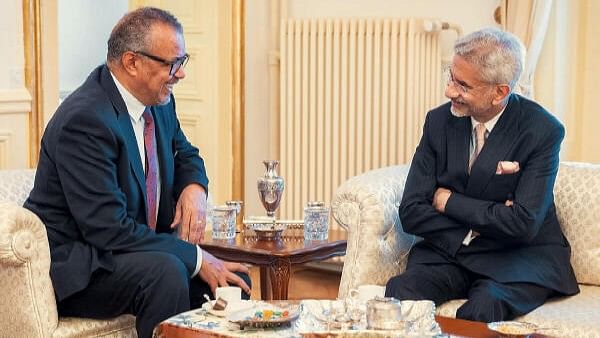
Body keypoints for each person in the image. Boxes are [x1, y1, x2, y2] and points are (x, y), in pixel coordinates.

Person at [24, 7, 251, 338]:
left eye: (182, 61)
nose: (181, 74)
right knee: (168, 272)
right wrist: (198, 258)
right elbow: (109, 230)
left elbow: (185, 153)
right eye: (171, 63)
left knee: (235, 286)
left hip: (128, 252)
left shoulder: (158, 102)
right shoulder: (85, 120)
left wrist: (194, 189)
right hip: (83, 264)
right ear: (132, 62)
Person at [385, 28, 579, 322]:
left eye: (462, 85)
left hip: (516, 258)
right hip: (450, 251)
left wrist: (448, 201)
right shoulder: (438, 121)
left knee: (483, 307)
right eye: (450, 77)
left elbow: (524, 224)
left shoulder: (542, 130)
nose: (450, 91)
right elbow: (411, 211)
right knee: (400, 291)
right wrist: (473, 229)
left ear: (499, 92)